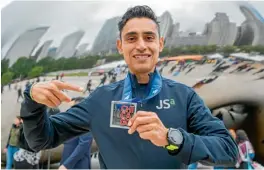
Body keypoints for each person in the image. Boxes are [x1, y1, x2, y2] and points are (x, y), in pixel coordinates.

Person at [21, 5, 238, 169]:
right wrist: (32, 101)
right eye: (132, 38)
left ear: (160, 44)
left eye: (149, 37)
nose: (141, 45)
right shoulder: (101, 99)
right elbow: (42, 139)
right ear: (120, 45)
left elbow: (228, 151)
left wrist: (172, 138)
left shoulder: (184, 96)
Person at [60, 97, 94, 170]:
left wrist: (67, 165)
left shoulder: (85, 122)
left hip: (78, 165)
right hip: (67, 162)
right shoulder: (73, 121)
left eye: (73, 108)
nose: (70, 110)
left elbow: (83, 145)